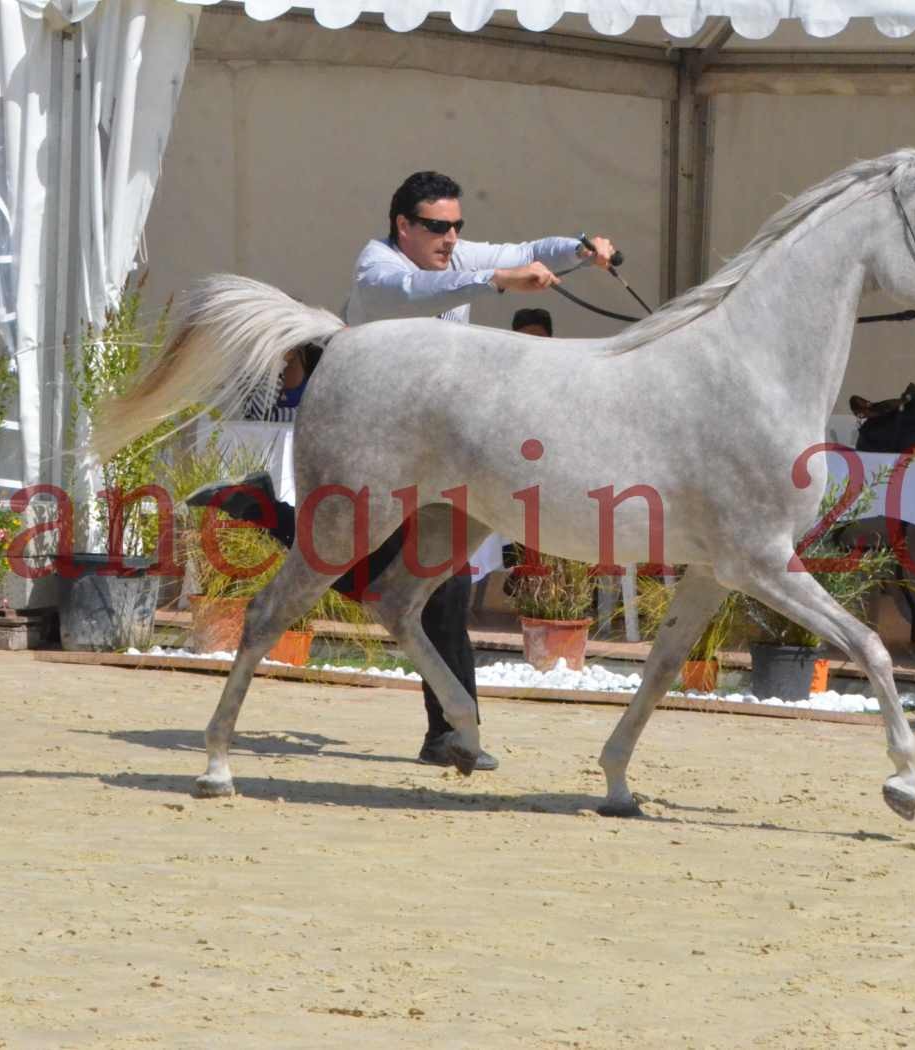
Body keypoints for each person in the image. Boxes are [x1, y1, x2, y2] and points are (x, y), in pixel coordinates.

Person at [189, 171, 616, 770]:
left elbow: (525, 252)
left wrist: (578, 248)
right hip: (368, 434)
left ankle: (450, 731)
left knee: (437, 582)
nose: (451, 237)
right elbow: (420, 295)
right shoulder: (378, 271)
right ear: (404, 227)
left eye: (457, 226)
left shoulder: (455, 256)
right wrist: (496, 281)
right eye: (438, 227)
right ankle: (265, 512)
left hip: (437, 443)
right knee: (353, 565)